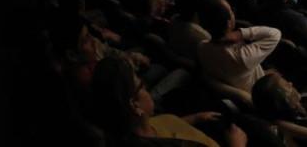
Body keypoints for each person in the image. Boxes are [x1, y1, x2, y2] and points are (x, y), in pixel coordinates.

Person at [90, 56, 249, 147]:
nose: (146, 89)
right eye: (142, 86)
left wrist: (196, 118)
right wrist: (237, 144)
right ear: (134, 105)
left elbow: (163, 126)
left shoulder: (142, 125)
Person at [197, 0, 281, 93]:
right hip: (260, 91)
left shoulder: (201, 48)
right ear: (228, 23)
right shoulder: (241, 57)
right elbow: (275, 34)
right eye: (231, 11)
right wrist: (241, 34)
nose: (233, 12)